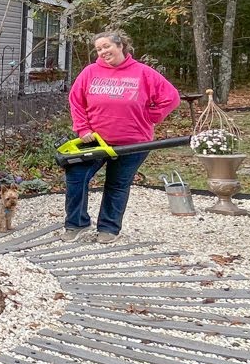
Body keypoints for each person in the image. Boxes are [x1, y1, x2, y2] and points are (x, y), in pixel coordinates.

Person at [63, 30, 180, 243]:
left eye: (106, 46)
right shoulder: (90, 72)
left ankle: (109, 228)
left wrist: (151, 115)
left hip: (133, 142)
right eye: (99, 49)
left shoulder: (143, 73)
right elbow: (76, 101)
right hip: (95, 140)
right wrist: (83, 129)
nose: (103, 51)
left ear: (120, 46)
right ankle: (77, 223)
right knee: (76, 176)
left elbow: (171, 97)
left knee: (117, 184)